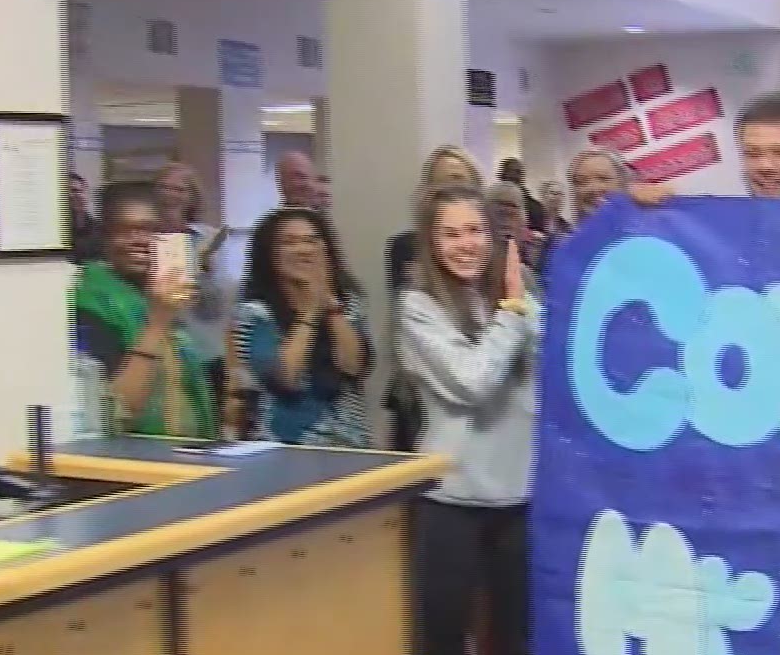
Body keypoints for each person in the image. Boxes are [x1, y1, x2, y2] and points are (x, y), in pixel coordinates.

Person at [399, 183, 547, 655]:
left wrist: (520, 309)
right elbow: (472, 381)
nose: (465, 244)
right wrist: (515, 313)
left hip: (518, 498)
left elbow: (548, 370)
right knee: (442, 653)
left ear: (494, 236)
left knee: (516, 650)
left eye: (475, 232)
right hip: (448, 502)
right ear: (432, 242)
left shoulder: (517, 296)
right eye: (451, 233)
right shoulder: (418, 308)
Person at [73, 180, 217, 439]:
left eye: (150, 231)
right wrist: (157, 323)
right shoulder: (90, 303)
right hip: (132, 462)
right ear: (105, 239)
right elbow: (119, 408)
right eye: (124, 231)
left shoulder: (164, 291)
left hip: (189, 453)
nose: (138, 240)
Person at [232, 207, 372, 447]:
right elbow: (284, 378)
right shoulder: (254, 313)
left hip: (349, 444)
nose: (303, 250)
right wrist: (310, 311)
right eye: (290, 242)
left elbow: (353, 366)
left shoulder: (346, 303)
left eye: (311, 241)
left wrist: (329, 304)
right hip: (283, 446)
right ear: (270, 255)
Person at [385, 144, 484, 451]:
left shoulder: (497, 253)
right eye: (440, 182)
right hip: (425, 389)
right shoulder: (404, 249)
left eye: (458, 179)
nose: (450, 190)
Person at [153, 161, 236, 412]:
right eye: (165, 187)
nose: (171, 195)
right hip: (164, 347)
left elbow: (219, 303)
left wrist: (205, 268)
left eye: (180, 189)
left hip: (205, 348)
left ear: (192, 197)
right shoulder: (146, 236)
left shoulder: (207, 238)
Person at [498, 155, 546, 233]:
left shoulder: (535, 207)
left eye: (518, 172)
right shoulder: (490, 203)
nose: (514, 176)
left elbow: (539, 236)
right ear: (501, 175)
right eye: (509, 171)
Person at [69, 170, 102, 263]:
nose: (79, 196)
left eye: (82, 191)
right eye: (73, 191)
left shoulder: (99, 229)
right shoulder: (53, 231)